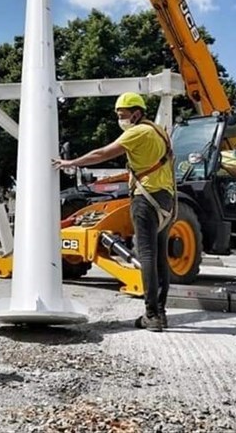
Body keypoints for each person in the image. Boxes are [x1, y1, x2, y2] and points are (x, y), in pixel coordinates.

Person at [52, 92, 175, 332]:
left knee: (147, 255)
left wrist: (70, 163)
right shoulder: (159, 131)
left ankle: (152, 314)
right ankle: (160, 313)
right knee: (160, 256)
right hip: (165, 199)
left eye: (123, 115)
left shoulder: (137, 132)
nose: (121, 119)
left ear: (137, 113)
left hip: (145, 198)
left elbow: (102, 153)